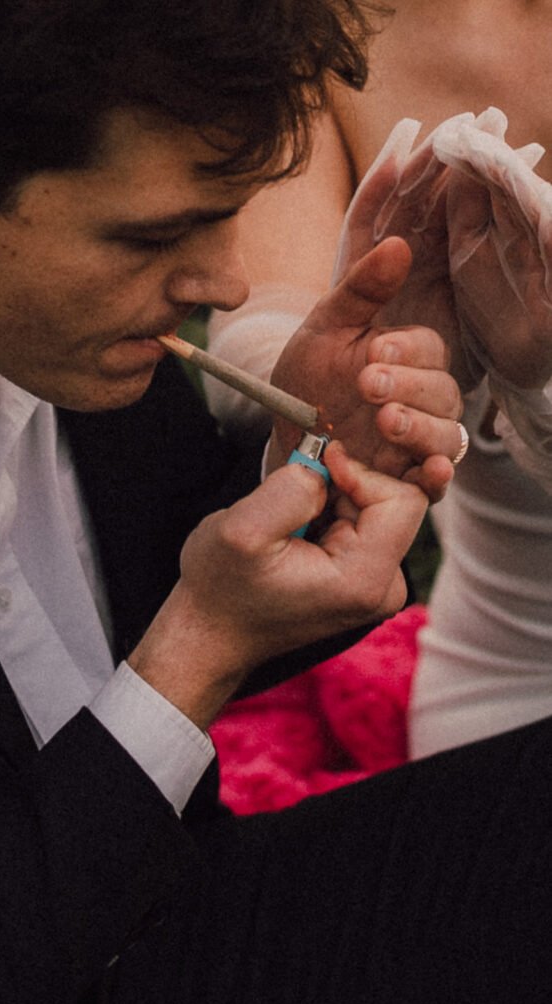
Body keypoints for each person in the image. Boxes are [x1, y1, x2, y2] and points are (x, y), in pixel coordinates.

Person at [0, 2, 549, 1004]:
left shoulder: (50, 333)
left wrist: (318, 463)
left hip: (189, 917)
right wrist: (195, 654)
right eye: (151, 235)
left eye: (225, 217)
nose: (220, 284)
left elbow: (145, 574)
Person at [207, 0, 552, 759]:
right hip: (502, 677)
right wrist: (371, 359)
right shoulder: (320, 22)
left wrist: (538, 394)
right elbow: (256, 335)